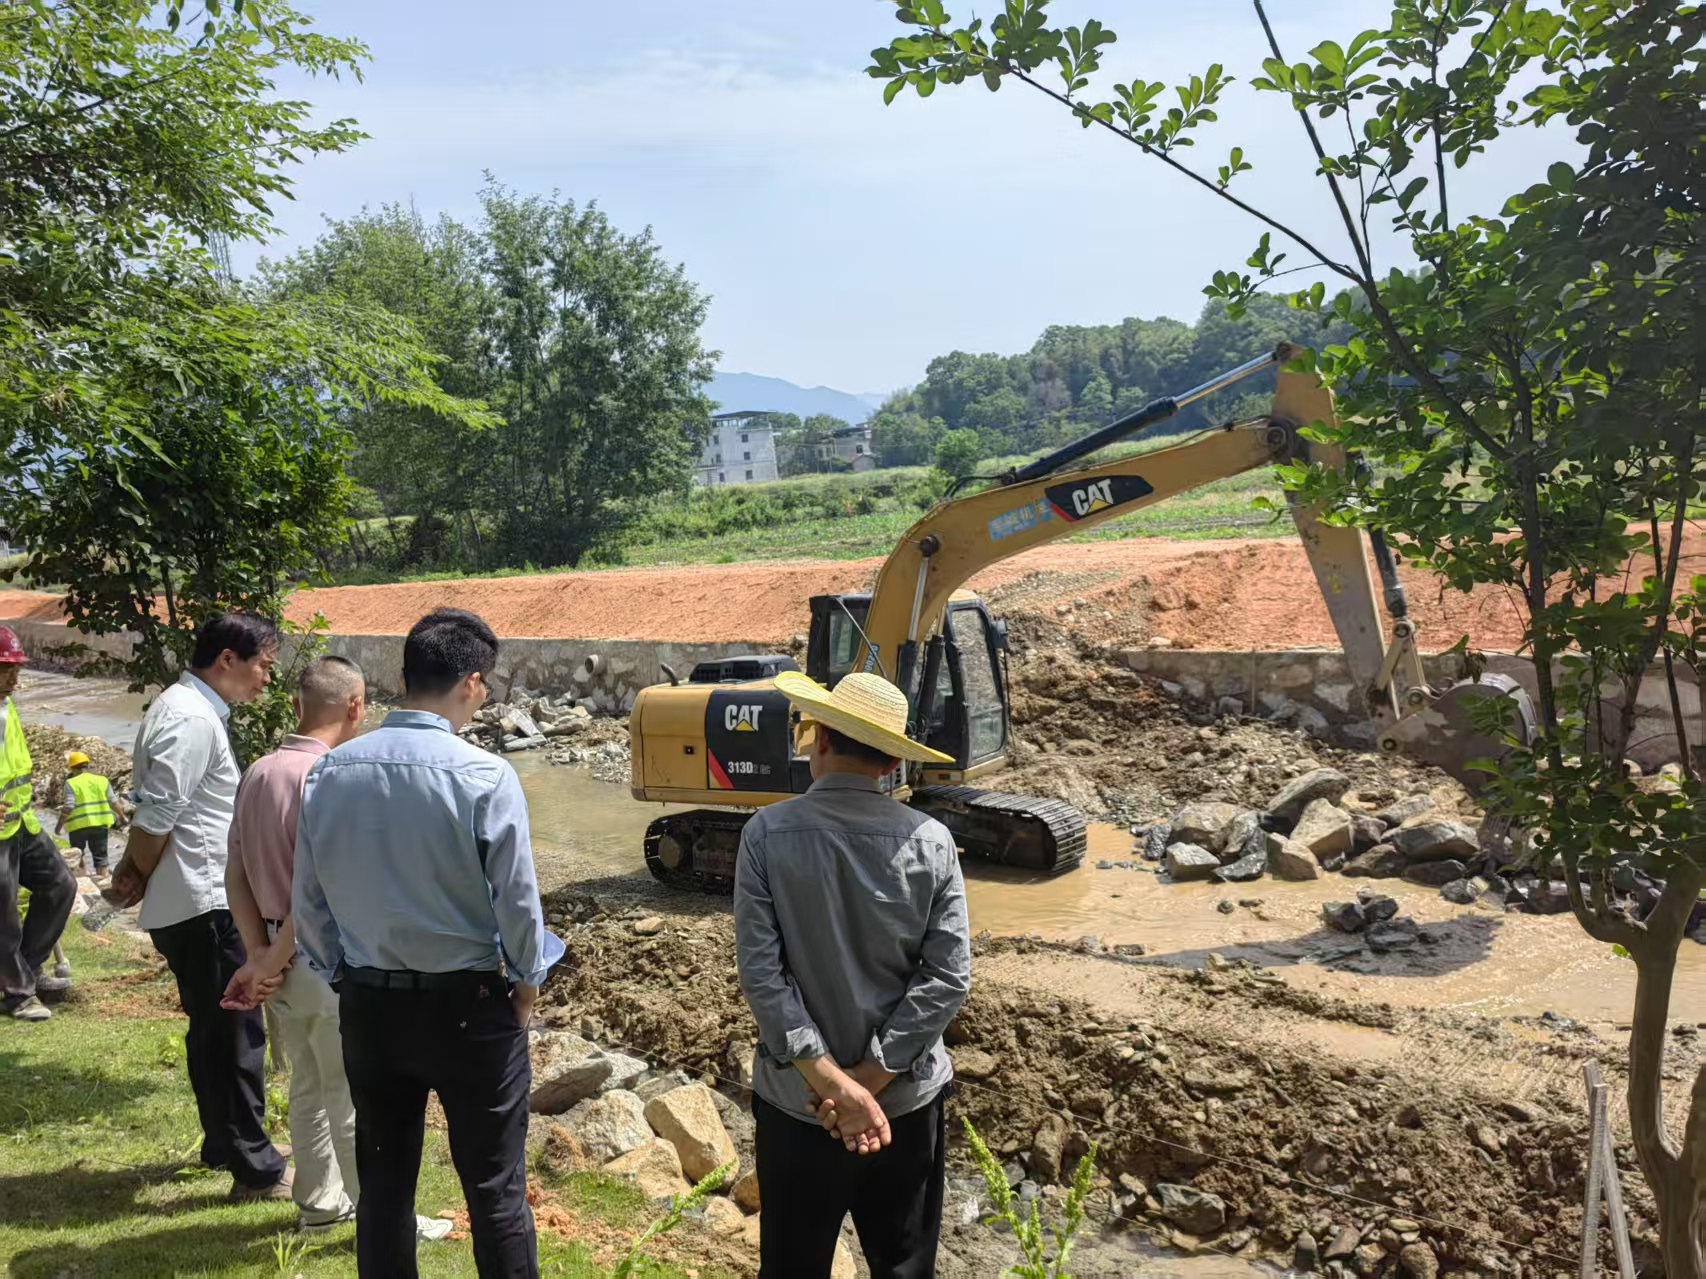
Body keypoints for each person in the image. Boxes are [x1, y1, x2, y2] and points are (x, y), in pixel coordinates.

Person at [295, 608, 563, 1278]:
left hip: (371, 1004)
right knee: (495, 1192)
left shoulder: (330, 772)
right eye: (486, 685)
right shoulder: (485, 775)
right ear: (471, 683)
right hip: (470, 1007)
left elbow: (310, 898)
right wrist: (527, 982)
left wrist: (340, 974)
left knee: (383, 1187)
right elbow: (517, 901)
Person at [733, 670, 972, 1279]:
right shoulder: (933, 841)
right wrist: (870, 1081)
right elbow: (948, 977)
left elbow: (763, 975)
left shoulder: (765, 834)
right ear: (893, 761)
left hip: (801, 1106)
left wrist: (835, 1087)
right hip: (903, 1109)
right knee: (904, 1267)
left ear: (820, 740)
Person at [220, 655, 454, 1246]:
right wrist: (274, 957)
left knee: (307, 1086)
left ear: (297, 704)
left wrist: (257, 954)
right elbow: (320, 885)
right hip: (322, 959)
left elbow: (236, 872)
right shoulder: (332, 775)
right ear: (356, 707)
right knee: (352, 1094)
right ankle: (385, 1220)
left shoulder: (258, 771)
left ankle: (319, 1203)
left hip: (275, 958)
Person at [110, 613, 290, 1200]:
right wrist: (135, 871)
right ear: (228, 660)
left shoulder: (190, 709)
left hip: (199, 898)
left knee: (215, 1030)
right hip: (205, 902)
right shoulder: (190, 718)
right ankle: (255, 1169)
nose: (267, 678)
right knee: (234, 1033)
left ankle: (227, 1144)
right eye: (263, 665)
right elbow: (158, 813)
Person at [0, 625, 76, 1022]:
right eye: (5, 669)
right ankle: (17, 994)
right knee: (4, 917)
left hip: (21, 825)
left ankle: (26, 971)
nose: (14, 678)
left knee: (60, 885)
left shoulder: (6, 705)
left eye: (16, 669)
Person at [56, 750, 128, 880]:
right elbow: (113, 801)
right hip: (99, 825)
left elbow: (69, 806)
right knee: (101, 858)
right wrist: (122, 817)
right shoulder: (102, 780)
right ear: (87, 765)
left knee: (78, 855)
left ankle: (84, 880)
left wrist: (59, 825)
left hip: (77, 827)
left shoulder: (71, 783)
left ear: (72, 768)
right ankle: (103, 881)